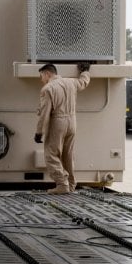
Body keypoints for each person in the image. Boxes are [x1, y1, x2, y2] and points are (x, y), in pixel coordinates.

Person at [35, 62, 90, 194]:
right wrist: (86, 71)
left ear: (47, 73)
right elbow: (83, 82)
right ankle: (71, 184)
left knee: (51, 154)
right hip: (72, 121)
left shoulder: (48, 89)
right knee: (68, 155)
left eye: (41, 76)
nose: (41, 80)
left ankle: (62, 184)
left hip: (57, 122)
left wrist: (39, 132)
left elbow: (45, 113)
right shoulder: (71, 82)